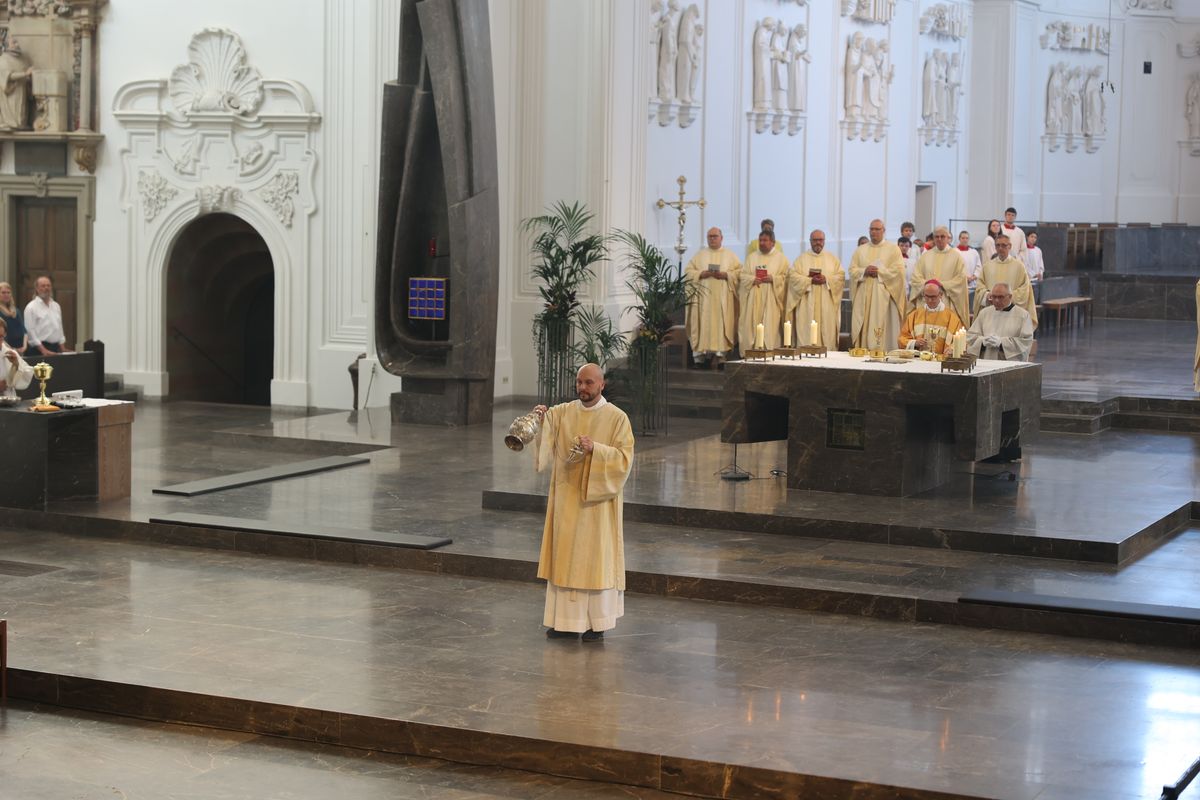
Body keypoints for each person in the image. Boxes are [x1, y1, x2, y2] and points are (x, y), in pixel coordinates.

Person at [532, 364, 634, 642]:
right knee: (564, 559)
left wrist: (596, 450)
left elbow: (624, 459)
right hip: (566, 500)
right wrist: (541, 421)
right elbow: (545, 443)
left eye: (588, 383)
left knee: (594, 559)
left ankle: (595, 623)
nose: (582, 388)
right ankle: (564, 622)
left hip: (597, 506)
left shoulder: (617, 418)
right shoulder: (564, 412)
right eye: (579, 382)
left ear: (602, 385)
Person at [684, 227, 742, 368]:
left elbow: (740, 272)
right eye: (709, 236)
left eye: (715, 236)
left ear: (721, 238)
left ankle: (721, 357)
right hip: (703, 301)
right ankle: (701, 358)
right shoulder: (700, 255)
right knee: (702, 324)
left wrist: (726, 275)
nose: (712, 239)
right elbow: (688, 272)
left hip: (723, 300)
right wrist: (701, 274)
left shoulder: (730, 255)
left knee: (721, 325)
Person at [849, 219, 905, 351]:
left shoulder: (893, 249)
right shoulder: (860, 250)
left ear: (883, 231)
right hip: (864, 297)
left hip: (883, 298)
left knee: (881, 326)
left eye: (877, 229)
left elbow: (898, 271)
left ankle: (883, 352)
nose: (873, 232)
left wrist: (880, 272)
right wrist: (864, 271)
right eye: (871, 229)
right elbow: (852, 270)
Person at [786, 229, 844, 350]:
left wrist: (827, 279)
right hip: (806, 306)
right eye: (815, 240)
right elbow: (792, 276)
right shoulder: (801, 259)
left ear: (824, 241)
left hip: (826, 306)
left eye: (820, 240)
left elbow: (840, 276)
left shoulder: (832, 259)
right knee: (806, 335)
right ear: (810, 241)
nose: (818, 243)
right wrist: (809, 280)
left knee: (826, 336)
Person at [738, 229, 789, 351]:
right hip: (753, 299)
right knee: (751, 327)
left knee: (770, 327)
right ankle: (751, 353)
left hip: (771, 299)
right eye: (760, 240)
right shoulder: (751, 257)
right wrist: (752, 279)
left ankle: (769, 352)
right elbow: (743, 276)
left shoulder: (781, 259)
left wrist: (773, 279)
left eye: (765, 240)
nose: (761, 243)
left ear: (773, 242)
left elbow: (786, 278)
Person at [973, 235, 1037, 326]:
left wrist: (1006, 298)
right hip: (991, 312)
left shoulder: (1019, 266)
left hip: (1011, 314)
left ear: (1009, 246)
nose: (1000, 248)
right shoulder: (987, 266)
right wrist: (987, 295)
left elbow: (1025, 290)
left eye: (1003, 245)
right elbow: (980, 287)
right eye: (997, 245)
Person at [909, 226, 968, 324]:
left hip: (946, 301)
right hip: (926, 301)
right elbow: (916, 278)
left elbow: (961, 279)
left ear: (948, 238)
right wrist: (929, 284)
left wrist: (942, 285)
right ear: (933, 238)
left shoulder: (957, 257)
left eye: (942, 236)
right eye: (936, 237)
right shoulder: (925, 256)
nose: (939, 239)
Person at [967, 283, 1034, 362]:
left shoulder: (1022, 315)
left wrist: (1002, 343)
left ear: (1010, 296)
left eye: (1000, 297)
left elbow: (1025, 341)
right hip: (987, 362)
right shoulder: (984, 313)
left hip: (1009, 365)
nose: (996, 300)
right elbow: (971, 337)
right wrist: (982, 342)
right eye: (994, 297)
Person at [899, 279, 964, 354]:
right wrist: (914, 343)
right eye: (927, 296)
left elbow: (960, 340)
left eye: (933, 297)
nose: (930, 300)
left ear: (940, 295)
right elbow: (902, 339)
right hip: (919, 361)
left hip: (941, 361)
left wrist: (952, 349)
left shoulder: (951, 317)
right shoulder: (914, 315)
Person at [25, 275, 70, 355]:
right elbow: (30, 332)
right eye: (43, 286)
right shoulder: (31, 307)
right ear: (37, 289)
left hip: (55, 348)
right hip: (38, 350)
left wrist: (62, 347)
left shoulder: (56, 306)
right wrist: (43, 350)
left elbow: (59, 328)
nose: (46, 288)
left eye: (48, 285)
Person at [0, 317, 33, 398]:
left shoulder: (8, 352)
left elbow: (27, 372)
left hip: (8, 400)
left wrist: (16, 365)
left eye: (1, 337)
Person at [0, 282, 28, 354]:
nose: (6, 295)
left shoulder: (16, 311)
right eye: (3, 293)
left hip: (20, 349)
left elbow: (24, 330)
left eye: (8, 292)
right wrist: (11, 349)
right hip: (5, 349)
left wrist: (24, 346)